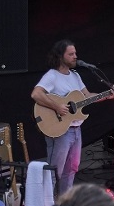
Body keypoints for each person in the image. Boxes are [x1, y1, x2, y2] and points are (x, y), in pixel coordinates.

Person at [31, 39, 91, 192]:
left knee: (72, 169)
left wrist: (108, 94)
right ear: (60, 56)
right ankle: (47, 203)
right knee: (54, 171)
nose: (75, 56)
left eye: (75, 53)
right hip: (60, 130)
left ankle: (64, 201)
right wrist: (57, 107)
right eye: (71, 54)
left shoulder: (75, 75)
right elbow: (36, 94)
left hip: (76, 128)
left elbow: (87, 96)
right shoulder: (52, 76)